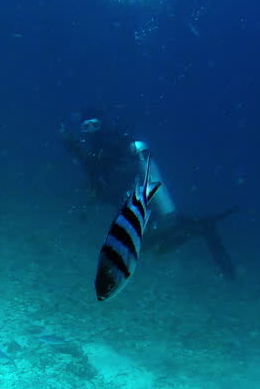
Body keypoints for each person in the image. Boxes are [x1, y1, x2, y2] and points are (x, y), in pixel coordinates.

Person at [62, 108, 237, 280]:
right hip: (129, 202)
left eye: (95, 125)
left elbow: (127, 173)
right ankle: (195, 228)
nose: (92, 131)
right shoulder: (93, 154)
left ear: (103, 125)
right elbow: (93, 174)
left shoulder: (117, 145)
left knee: (135, 244)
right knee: (141, 243)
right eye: (86, 127)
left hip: (138, 199)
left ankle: (197, 229)